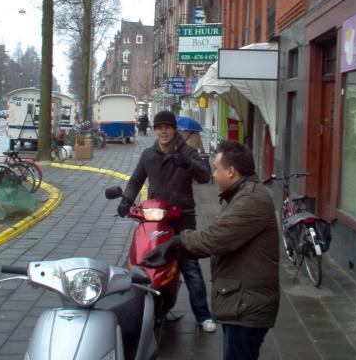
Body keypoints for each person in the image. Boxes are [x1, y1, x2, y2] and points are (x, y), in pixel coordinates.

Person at [142, 140, 280, 360]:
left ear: (231, 171)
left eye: (217, 169)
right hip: (239, 300)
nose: (214, 175)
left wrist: (176, 244)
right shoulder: (240, 194)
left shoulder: (251, 200)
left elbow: (215, 238)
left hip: (246, 306)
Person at [119, 110, 216, 333]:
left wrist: (187, 163)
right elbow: (135, 181)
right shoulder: (148, 155)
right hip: (155, 217)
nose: (163, 131)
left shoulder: (188, 152)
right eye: (159, 127)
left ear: (174, 129)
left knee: (189, 265)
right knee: (142, 260)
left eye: (167, 127)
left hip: (182, 217)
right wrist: (126, 201)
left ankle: (203, 315)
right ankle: (137, 306)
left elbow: (205, 176)